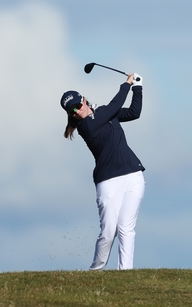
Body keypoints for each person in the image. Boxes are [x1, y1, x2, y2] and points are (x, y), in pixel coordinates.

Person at [60, 72, 145, 270]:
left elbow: (134, 112)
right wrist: (127, 84)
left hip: (133, 174)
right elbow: (114, 106)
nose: (76, 111)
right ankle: (96, 270)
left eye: (77, 105)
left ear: (84, 100)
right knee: (108, 232)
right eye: (71, 111)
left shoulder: (105, 113)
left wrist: (138, 88)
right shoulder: (85, 126)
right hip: (108, 182)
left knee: (126, 228)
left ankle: (125, 274)